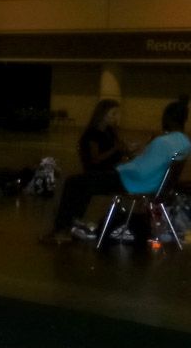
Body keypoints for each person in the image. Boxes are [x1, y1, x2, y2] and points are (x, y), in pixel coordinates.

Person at [43, 98, 190, 244]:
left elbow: (142, 170)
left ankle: (62, 228)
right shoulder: (184, 141)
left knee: (73, 182)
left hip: (133, 182)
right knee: (84, 184)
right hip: (152, 184)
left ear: (166, 118)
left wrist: (125, 167)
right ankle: (71, 224)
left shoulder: (161, 142)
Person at [78, 99, 130, 174]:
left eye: (117, 114)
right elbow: (95, 159)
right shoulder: (92, 133)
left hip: (113, 168)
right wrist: (115, 148)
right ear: (102, 114)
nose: (116, 117)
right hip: (99, 173)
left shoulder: (109, 130)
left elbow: (117, 151)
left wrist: (126, 149)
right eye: (113, 114)